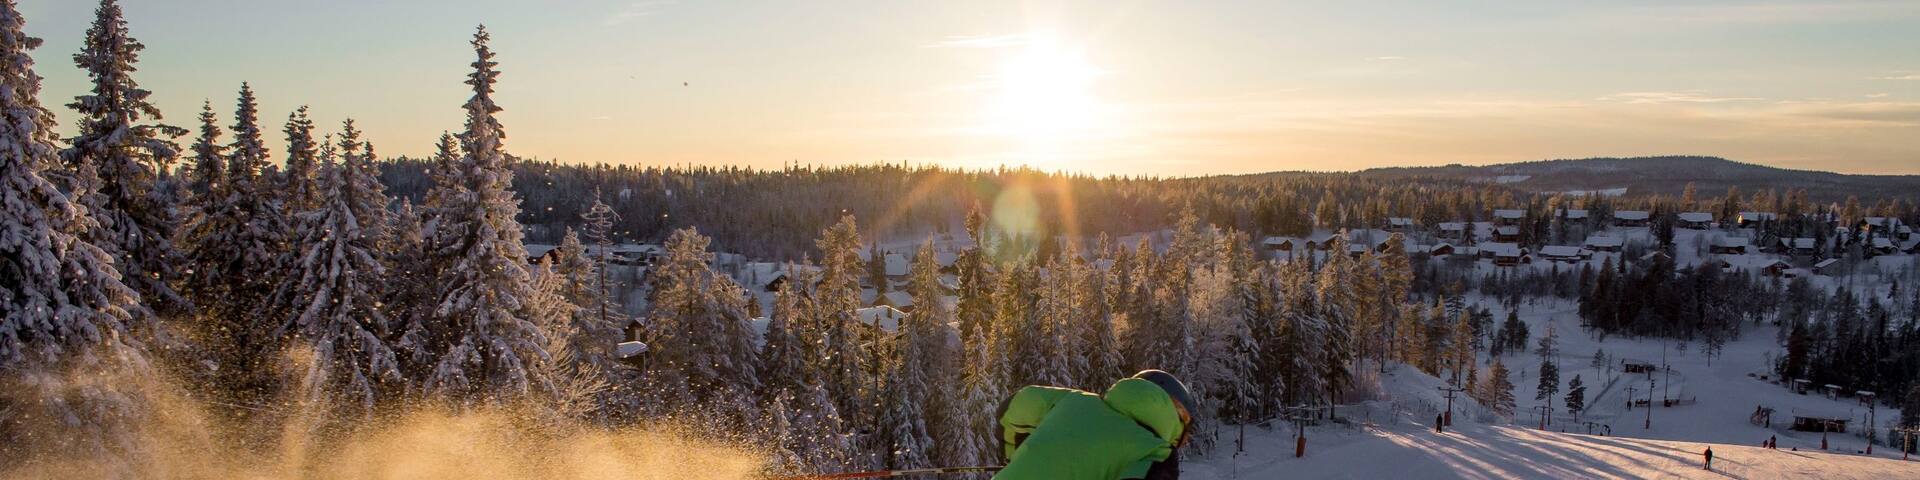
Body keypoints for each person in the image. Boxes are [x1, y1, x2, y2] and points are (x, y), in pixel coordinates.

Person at [995, 370, 1195, 480]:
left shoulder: (1075, 401)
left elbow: (1010, 407)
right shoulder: (1157, 452)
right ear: (1178, 421)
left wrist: (1016, 459)